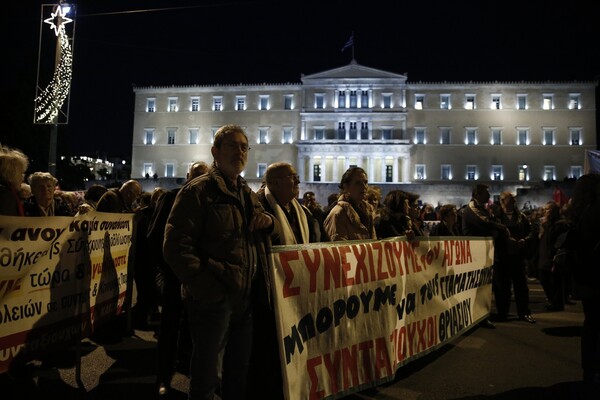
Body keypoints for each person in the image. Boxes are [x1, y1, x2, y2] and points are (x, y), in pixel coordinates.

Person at [163, 124, 280, 400]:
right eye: (232, 145)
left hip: (244, 299)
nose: (239, 151)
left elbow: (269, 226)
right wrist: (207, 289)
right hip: (213, 300)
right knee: (206, 376)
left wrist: (269, 222)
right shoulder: (198, 191)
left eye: (243, 146)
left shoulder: (247, 193)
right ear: (215, 152)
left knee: (237, 373)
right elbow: (175, 247)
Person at [251, 162, 320, 399]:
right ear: (275, 182)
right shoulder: (259, 205)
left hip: (292, 287)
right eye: (293, 177)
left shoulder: (299, 210)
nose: (298, 182)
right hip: (267, 288)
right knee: (267, 347)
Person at [147, 161, 209, 398]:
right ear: (187, 177)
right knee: (170, 328)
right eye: (195, 176)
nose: (198, 181)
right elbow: (155, 238)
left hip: (201, 279)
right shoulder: (171, 197)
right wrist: (168, 272)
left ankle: (190, 369)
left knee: (198, 329)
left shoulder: (210, 201)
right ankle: (163, 377)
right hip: (176, 277)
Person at [564, 173, 600, 387]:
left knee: (591, 324)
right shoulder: (594, 212)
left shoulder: (578, 213)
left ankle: (589, 370)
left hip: (585, 275)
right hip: (595, 274)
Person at [461, 184, 510, 329]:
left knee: (484, 286)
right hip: (476, 253)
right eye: (486, 193)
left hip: (484, 252)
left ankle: (482, 315)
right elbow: (485, 222)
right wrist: (502, 228)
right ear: (478, 194)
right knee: (478, 286)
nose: (489, 196)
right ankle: (477, 316)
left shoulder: (481, 208)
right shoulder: (472, 208)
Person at [495, 192, 536, 324]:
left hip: (518, 256)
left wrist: (524, 240)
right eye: (510, 199)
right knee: (502, 287)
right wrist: (505, 240)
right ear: (503, 201)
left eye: (514, 199)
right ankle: (502, 312)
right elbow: (493, 234)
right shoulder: (496, 217)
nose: (514, 201)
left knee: (521, 286)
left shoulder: (521, 217)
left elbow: (530, 233)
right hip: (502, 257)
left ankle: (524, 312)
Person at [324, 166, 377, 241]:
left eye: (365, 182)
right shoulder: (338, 214)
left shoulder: (367, 211)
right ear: (346, 187)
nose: (364, 186)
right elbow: (339, 248)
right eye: (357, 183)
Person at [537, 201, 570, 311]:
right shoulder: (546, 224)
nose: (545, 212)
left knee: (554, 283)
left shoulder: (560, 225)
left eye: (548, 210)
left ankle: (556, 303)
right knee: (545, 280)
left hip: (553, 258)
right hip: (544, 257)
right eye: (545, 209)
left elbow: (561, 242)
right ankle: (553, 301)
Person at [0, 145, 29, 216]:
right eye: (21, 173)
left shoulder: (11, 192)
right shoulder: (4, 195)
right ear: (11, 173)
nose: (23, 177)